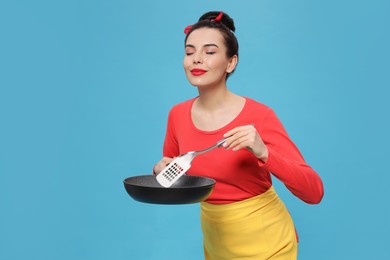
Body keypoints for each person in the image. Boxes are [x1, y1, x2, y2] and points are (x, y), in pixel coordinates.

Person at [153, 11, 324, 259]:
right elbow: (175, 180)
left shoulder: (260, 115)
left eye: (210, 52)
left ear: (231, 62)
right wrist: (161, 172)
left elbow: (314, 192)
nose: (196, 59)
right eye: (190, 52)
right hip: (217, 243)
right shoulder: (177, 115)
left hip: (269, 243)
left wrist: (264, 152)